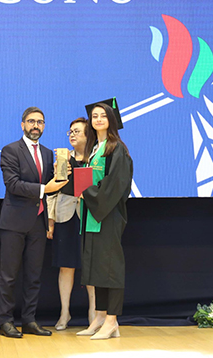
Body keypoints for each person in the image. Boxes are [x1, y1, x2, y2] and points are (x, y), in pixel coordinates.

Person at [0, 107, 67, 338]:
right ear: (22, 125)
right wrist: (45, 188)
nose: (36, 125)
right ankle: (6, 322)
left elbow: (52, 186)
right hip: (14, 222)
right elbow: (13, 184)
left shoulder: (47, 153)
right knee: (9, 276)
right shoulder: (10, 150)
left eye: (40, 122)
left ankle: (29, 320)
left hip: (38, 221)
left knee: (34, 275)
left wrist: (60, 174)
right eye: (31, 121)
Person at [76, 99, 133, 340]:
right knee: (97, 266)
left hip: (108, 214)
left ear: (111, 119)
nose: (98, 119)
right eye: (95, 116)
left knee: (111, 268)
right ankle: (99, 317)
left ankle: (112, 320)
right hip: (93, 214)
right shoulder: (94, 149)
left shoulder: (116, 148)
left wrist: (87, 192)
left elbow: (115, 184)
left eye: (103, 115)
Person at [46, 117, 96, 330]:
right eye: (70, 132)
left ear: (88, 135)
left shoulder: (97, 159)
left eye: (77, 131)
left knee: (91, 267)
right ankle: (64, 313)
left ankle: (94, 314)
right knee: (66, 266)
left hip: (90, 216)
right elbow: (52, 191)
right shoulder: (63, 159)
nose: (72, 135)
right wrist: (50, 220)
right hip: (65, 216)